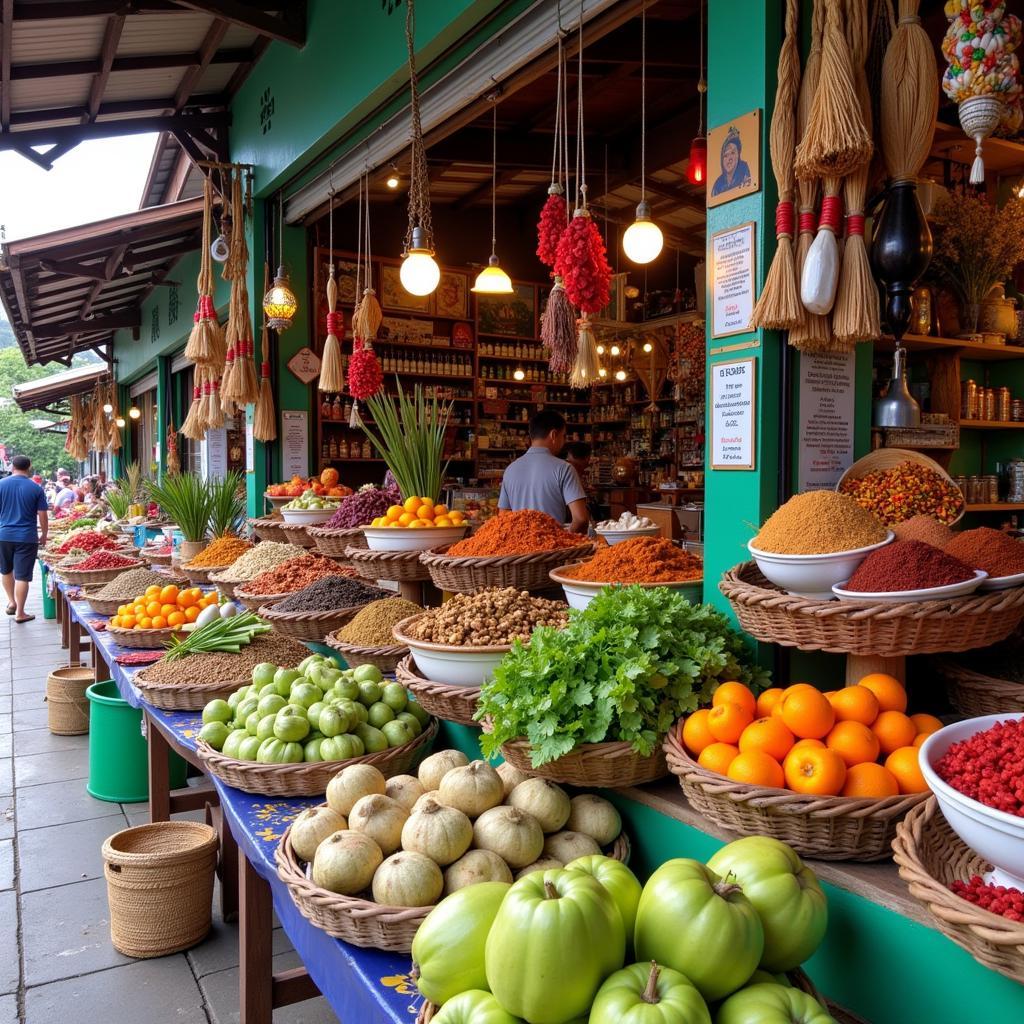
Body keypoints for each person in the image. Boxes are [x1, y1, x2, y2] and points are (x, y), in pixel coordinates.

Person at [498, 410, 589, 533]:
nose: (564, 442)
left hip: (519, 548)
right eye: (563, 436)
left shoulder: (510, 470)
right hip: (553, 547)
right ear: (553, 435)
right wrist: (567, 539)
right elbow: (581, 519)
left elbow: (503, 519)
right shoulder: (564, 469)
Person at [0, 455, 48, 622]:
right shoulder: (36, 488)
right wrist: (44, 534)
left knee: (6, 570)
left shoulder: (1, 484)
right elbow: (42, 514)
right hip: (27, 537)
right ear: (29, 467)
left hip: (3, 535)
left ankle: (12, 602)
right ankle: (20, 613)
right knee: (22, 576)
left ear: (12, 466)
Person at [711, 126, 752, 198]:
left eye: (733, 153)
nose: (729, 159)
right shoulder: (717, 185)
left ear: (738, 155)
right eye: (725, 155)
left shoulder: (745, 172)